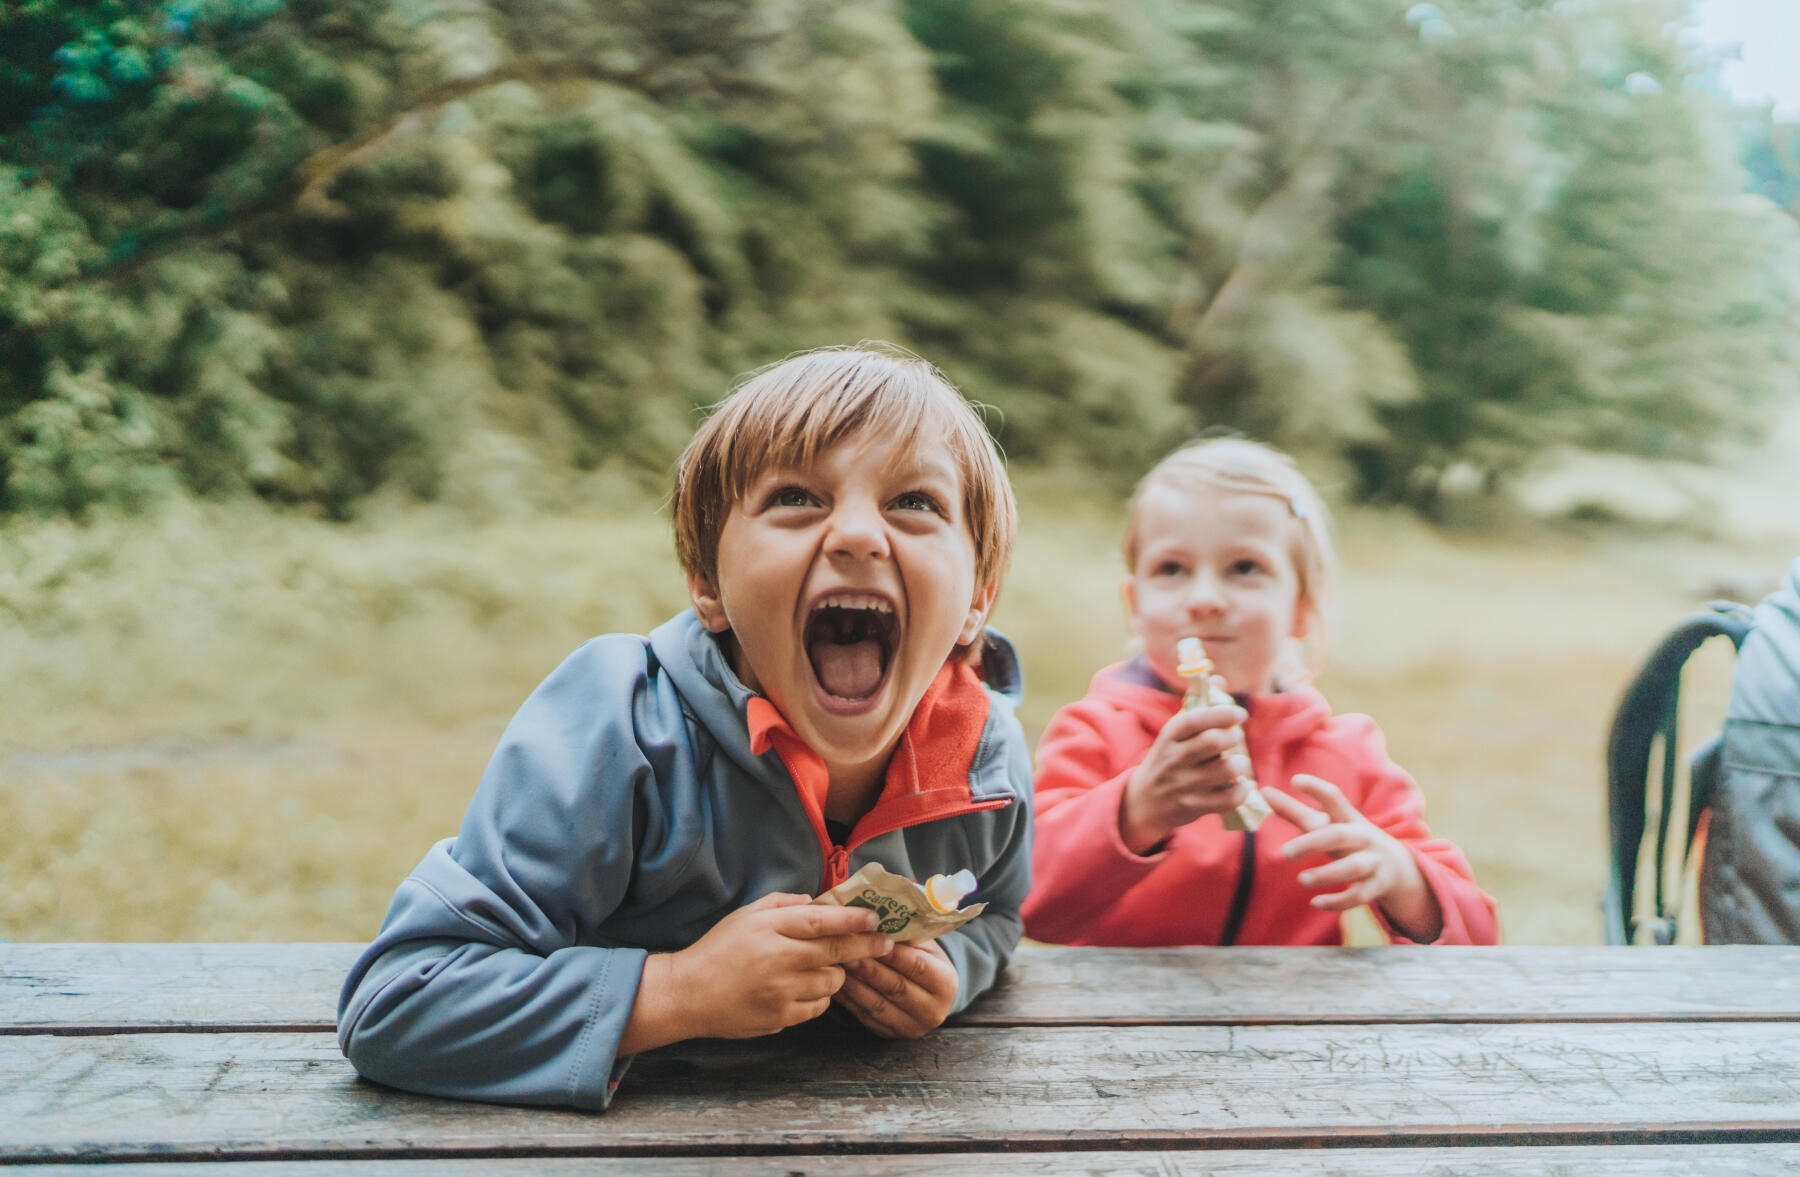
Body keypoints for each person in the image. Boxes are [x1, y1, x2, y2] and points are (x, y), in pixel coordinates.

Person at [337, 346, 1033, 1109]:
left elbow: (996, 913)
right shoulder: (619, 722)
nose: (858, 535)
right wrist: (677, 992)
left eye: (915, 503)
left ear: (977, 600)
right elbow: (399, 1001)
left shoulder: (986, 760)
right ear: (708, 583)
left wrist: (951, 971)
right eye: (798, 497)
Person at [1022, 438, 1498, 947]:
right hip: (1120, 1020)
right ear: (1134, 604)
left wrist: (1401, 875)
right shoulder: (1096, 731)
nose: (1205, 599)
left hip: (1294, 1021)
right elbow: (1029, 906)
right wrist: (1136, 811)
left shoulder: (1347, 754)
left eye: (1245, 568)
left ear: (1300, 607)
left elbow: (1478, 940)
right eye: (1172, 569)